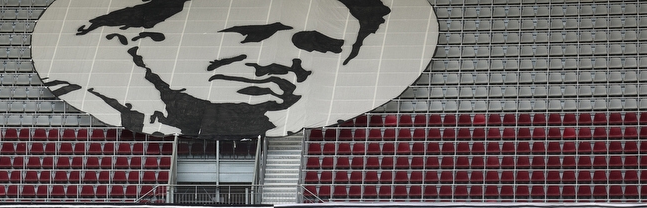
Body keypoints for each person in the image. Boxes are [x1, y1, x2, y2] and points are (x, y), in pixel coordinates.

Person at [31, 0, 435, 137]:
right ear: (143, 39)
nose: (289, 60)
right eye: (253, 33)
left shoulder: (287, 121)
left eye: (319, 44)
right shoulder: (88, 90)